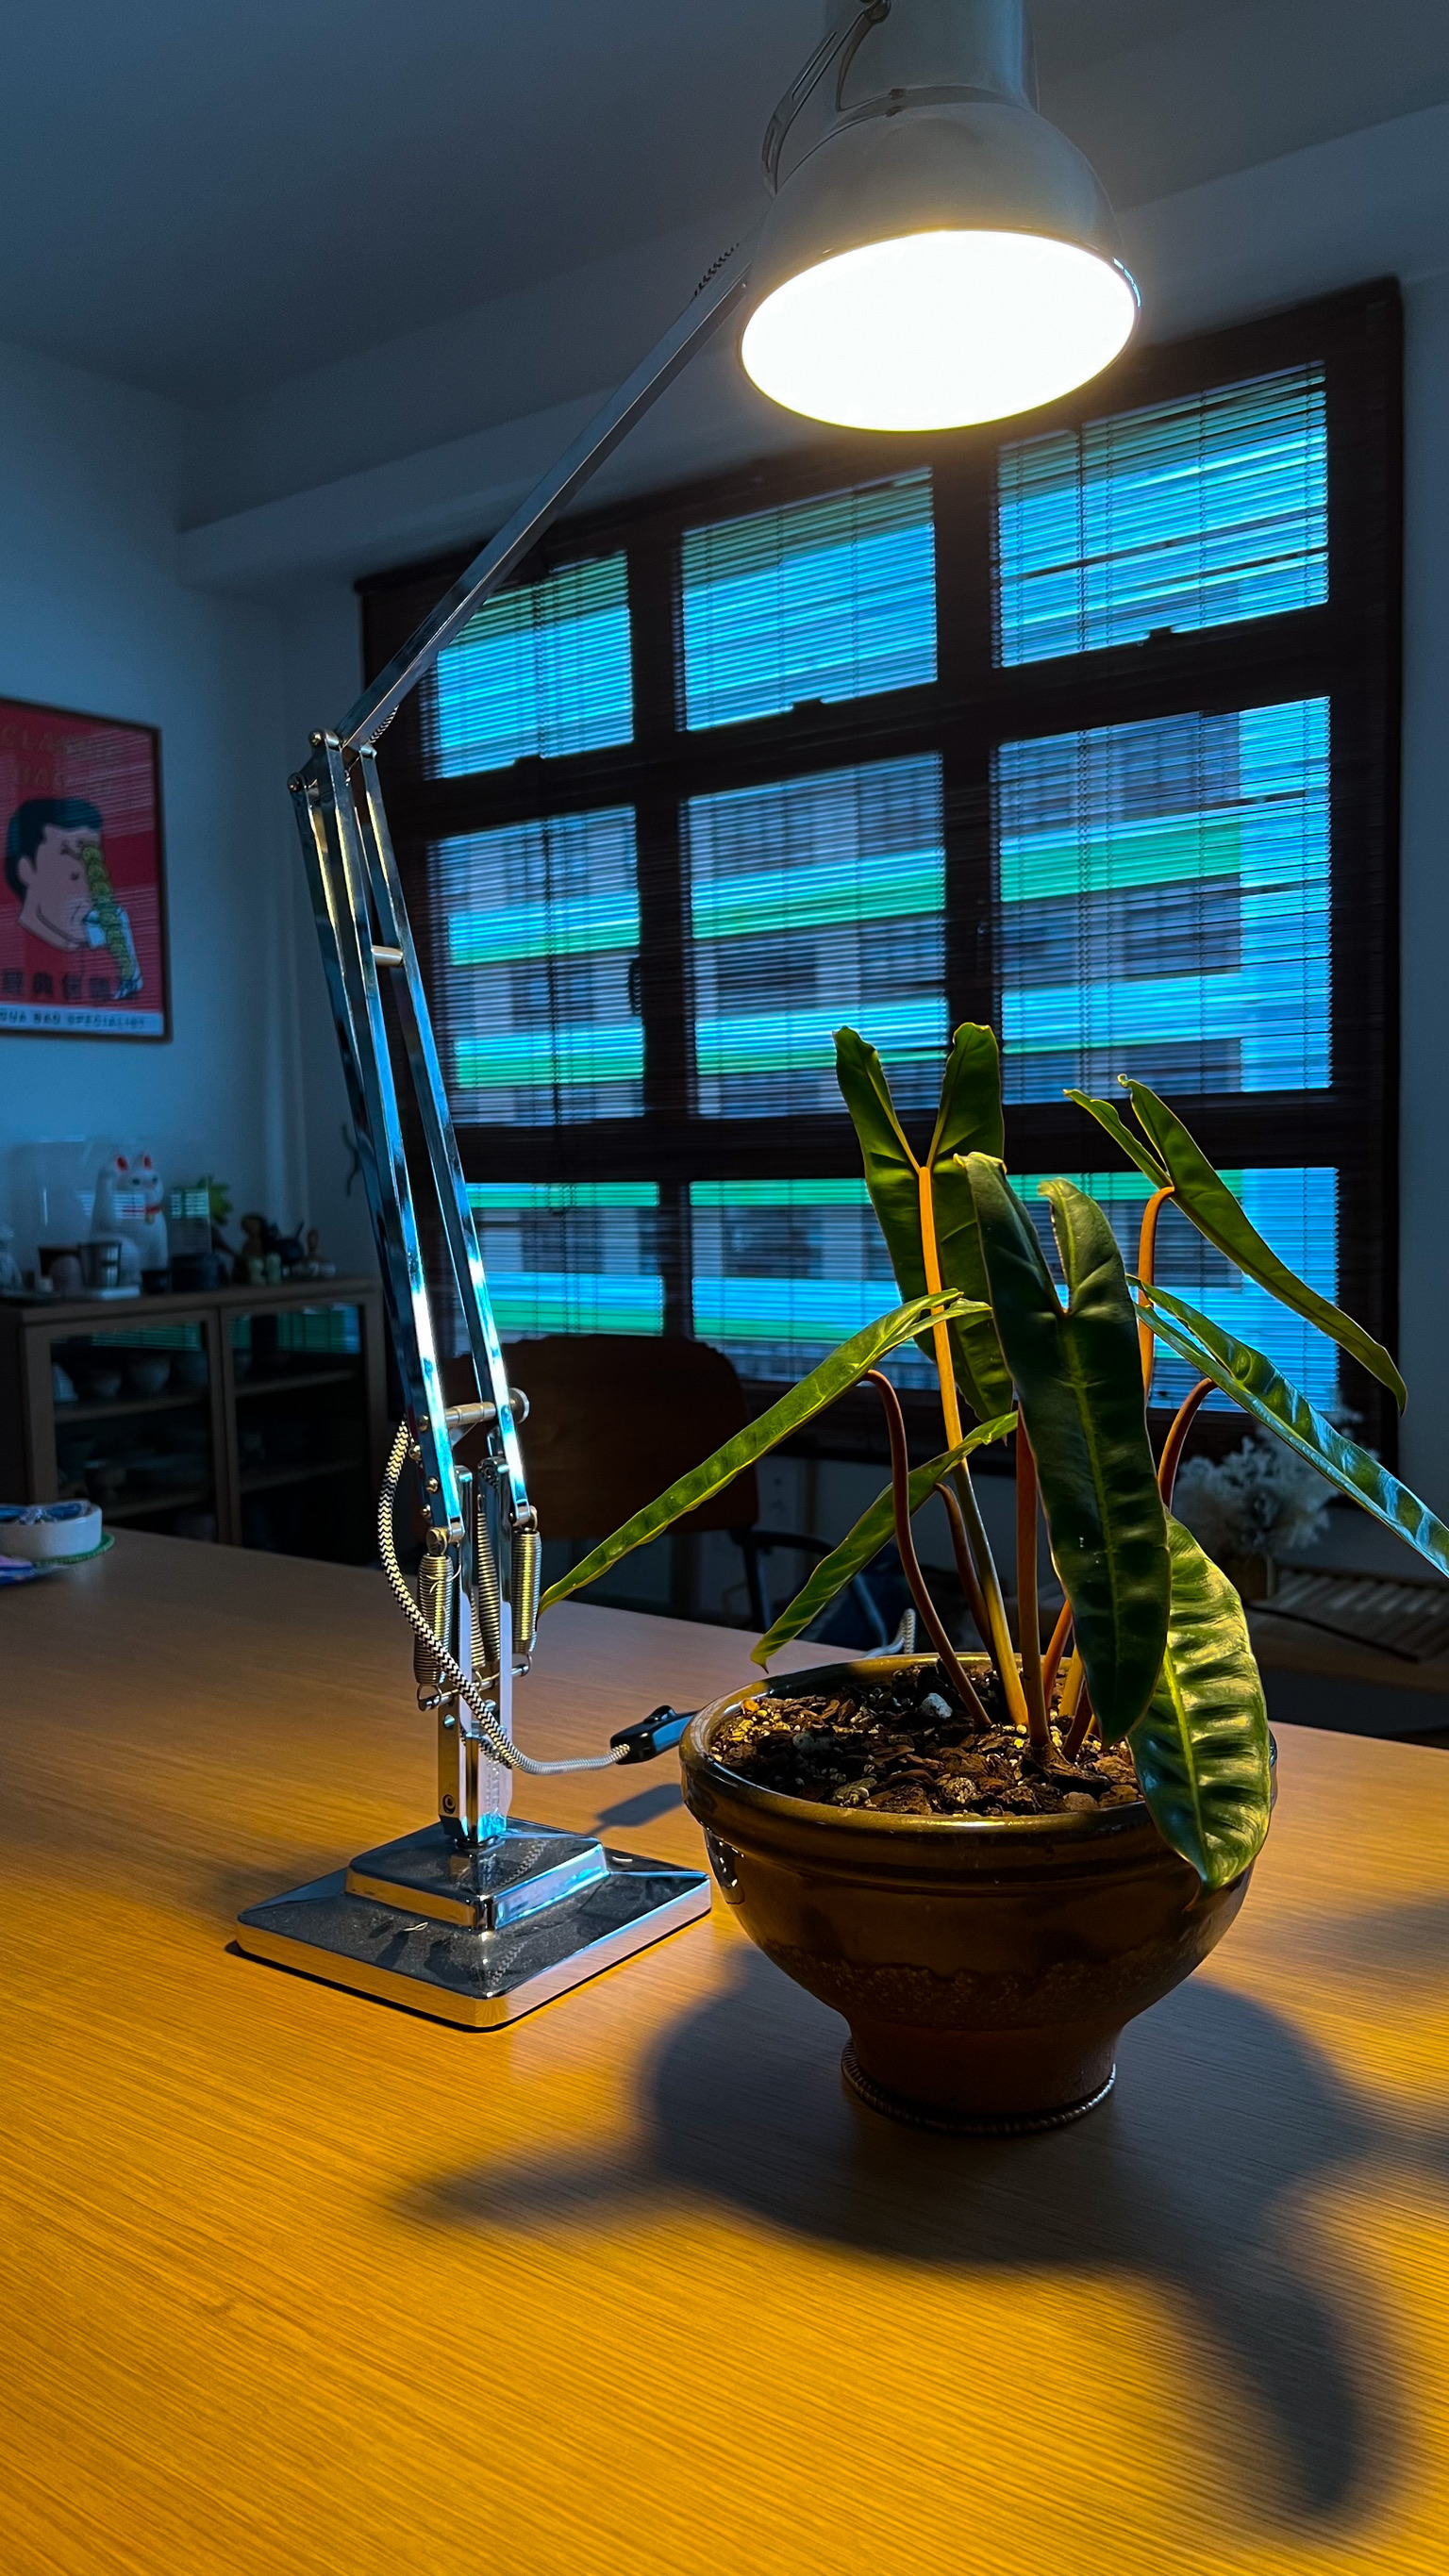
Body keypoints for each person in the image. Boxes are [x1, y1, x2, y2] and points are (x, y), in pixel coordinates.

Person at [2, 796, 141, 998]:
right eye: (74, 875)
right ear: (27, 870)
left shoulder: (112, 956)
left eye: (94, 873)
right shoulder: (10, 948)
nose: (90, 893)